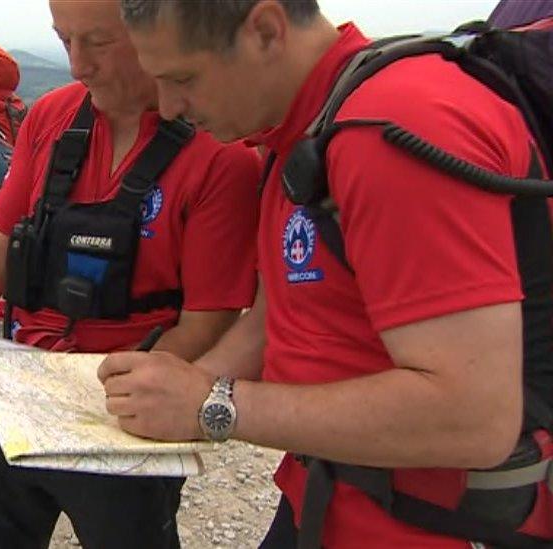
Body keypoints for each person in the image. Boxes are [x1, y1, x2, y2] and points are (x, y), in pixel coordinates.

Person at [101, 1, 552, 547]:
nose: (169, 107)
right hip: (327, 499)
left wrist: (213, 404)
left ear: (266, 30)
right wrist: (172, 392)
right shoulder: (304, 127)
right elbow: (278, 317)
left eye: (183, 78)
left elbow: (473, 417)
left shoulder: (388, 131)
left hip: (434, 527)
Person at [0, 0, 262, 547]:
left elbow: (209, 321)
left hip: (124, 424)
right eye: (64, 40)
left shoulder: (221, 156)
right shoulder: (51, 117)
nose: (77, 64)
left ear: (151, 32)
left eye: (97, 42)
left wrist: (84, 394)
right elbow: (2, 237)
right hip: (19, 397)